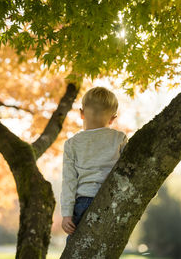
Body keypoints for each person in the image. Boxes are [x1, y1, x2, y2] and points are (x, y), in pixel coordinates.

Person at [60, 86, 128, 244]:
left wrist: (67, 214)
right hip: (112, 199)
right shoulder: (119, 138)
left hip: (83, 201)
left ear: (81, 113)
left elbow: (69, 181)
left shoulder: (72, 144)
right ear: (112, 118)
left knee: (77, 246)